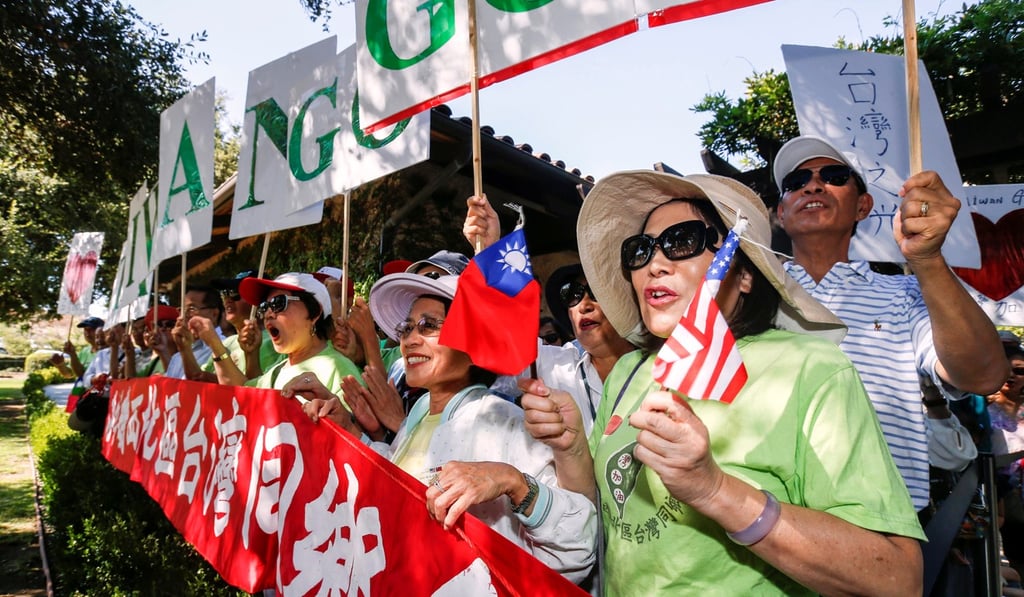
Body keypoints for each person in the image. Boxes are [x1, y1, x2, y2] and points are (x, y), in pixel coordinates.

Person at [523, 170, 925, 595]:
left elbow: (896, 577)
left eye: (682, 241)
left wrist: (713, 489)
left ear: (745, 274)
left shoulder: (809, 367)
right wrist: (571, 450)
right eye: (640, 251)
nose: (655, 264)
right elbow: (607, 518)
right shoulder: (630, 371)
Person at [292, 273, 597, 583]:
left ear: (473, 342)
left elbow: (580, 549)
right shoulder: (421, 413)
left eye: (429, 326)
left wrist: (513, 481)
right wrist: (349, 433)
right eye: (408, 327)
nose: (410, 339)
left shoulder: (500, 420)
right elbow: (402, 484)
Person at [773, 135, 1009, 511]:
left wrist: (927, 259)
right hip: (763, 522)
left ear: (863, 206)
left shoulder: (910, 293)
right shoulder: (749, 296)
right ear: (780, 214)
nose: (813, 185)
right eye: (795, 183)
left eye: (833, 175)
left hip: (879, 527)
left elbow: (983, 376)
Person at [197, 272, 361, 394]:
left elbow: (354, 434)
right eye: (264, 307)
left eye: (278, 303)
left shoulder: (339, 368)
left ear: (315, 312)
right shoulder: (276, 371)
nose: (268, 313)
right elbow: (241, 395)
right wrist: (214, 344)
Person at [201, 270, 283, 383]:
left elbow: (255, 389)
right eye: (225, 293)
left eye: (235, 293)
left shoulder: (275, 342)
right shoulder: (227, 343)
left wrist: (214, 343)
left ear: (259, 300)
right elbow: (198, 379)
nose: (227, 299)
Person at [164, 286, 224, 380]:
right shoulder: (177, 357)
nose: (183, 316)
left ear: (214, 314)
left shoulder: (226, 347)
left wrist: (185, 350)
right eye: (181, 310)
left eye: (191, 309)